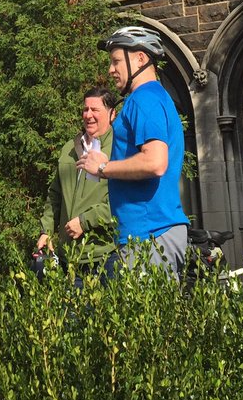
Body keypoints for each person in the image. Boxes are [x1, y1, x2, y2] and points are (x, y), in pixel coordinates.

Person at [76, 24, 190, 277]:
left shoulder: (144, 98)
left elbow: (155, 162)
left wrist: (104, 168)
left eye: (116, 61)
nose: (111, 69)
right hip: (147, 233)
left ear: (140, 58)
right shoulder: (151, 97)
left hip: (151, 233)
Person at [34, 88, 116, 275]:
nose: (88, 115)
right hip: (69, 258)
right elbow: (54, 195)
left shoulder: (120, 149)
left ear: (112, 113)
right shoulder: (70, 148)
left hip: (105, 255)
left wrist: (85, 222)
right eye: (85, 109)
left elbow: (123, 201)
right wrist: (46, 231)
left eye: (95, 110)